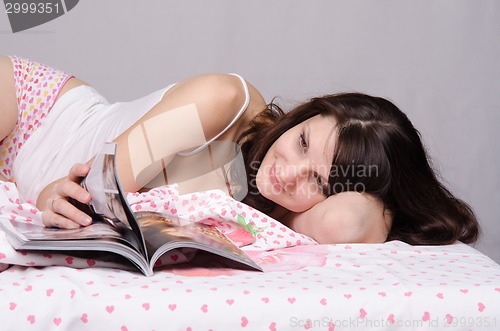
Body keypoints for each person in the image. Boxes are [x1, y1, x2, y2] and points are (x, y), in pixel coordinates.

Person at [0, 55, 479, 246]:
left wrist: (382, 199)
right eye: (303, 141)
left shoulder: (274, 210)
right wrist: (50, 197)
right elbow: (95, 192)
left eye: (319, 181)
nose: (289, 173)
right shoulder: (224, 101)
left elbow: (347, 224)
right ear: (303, 115)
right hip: (31, 112)